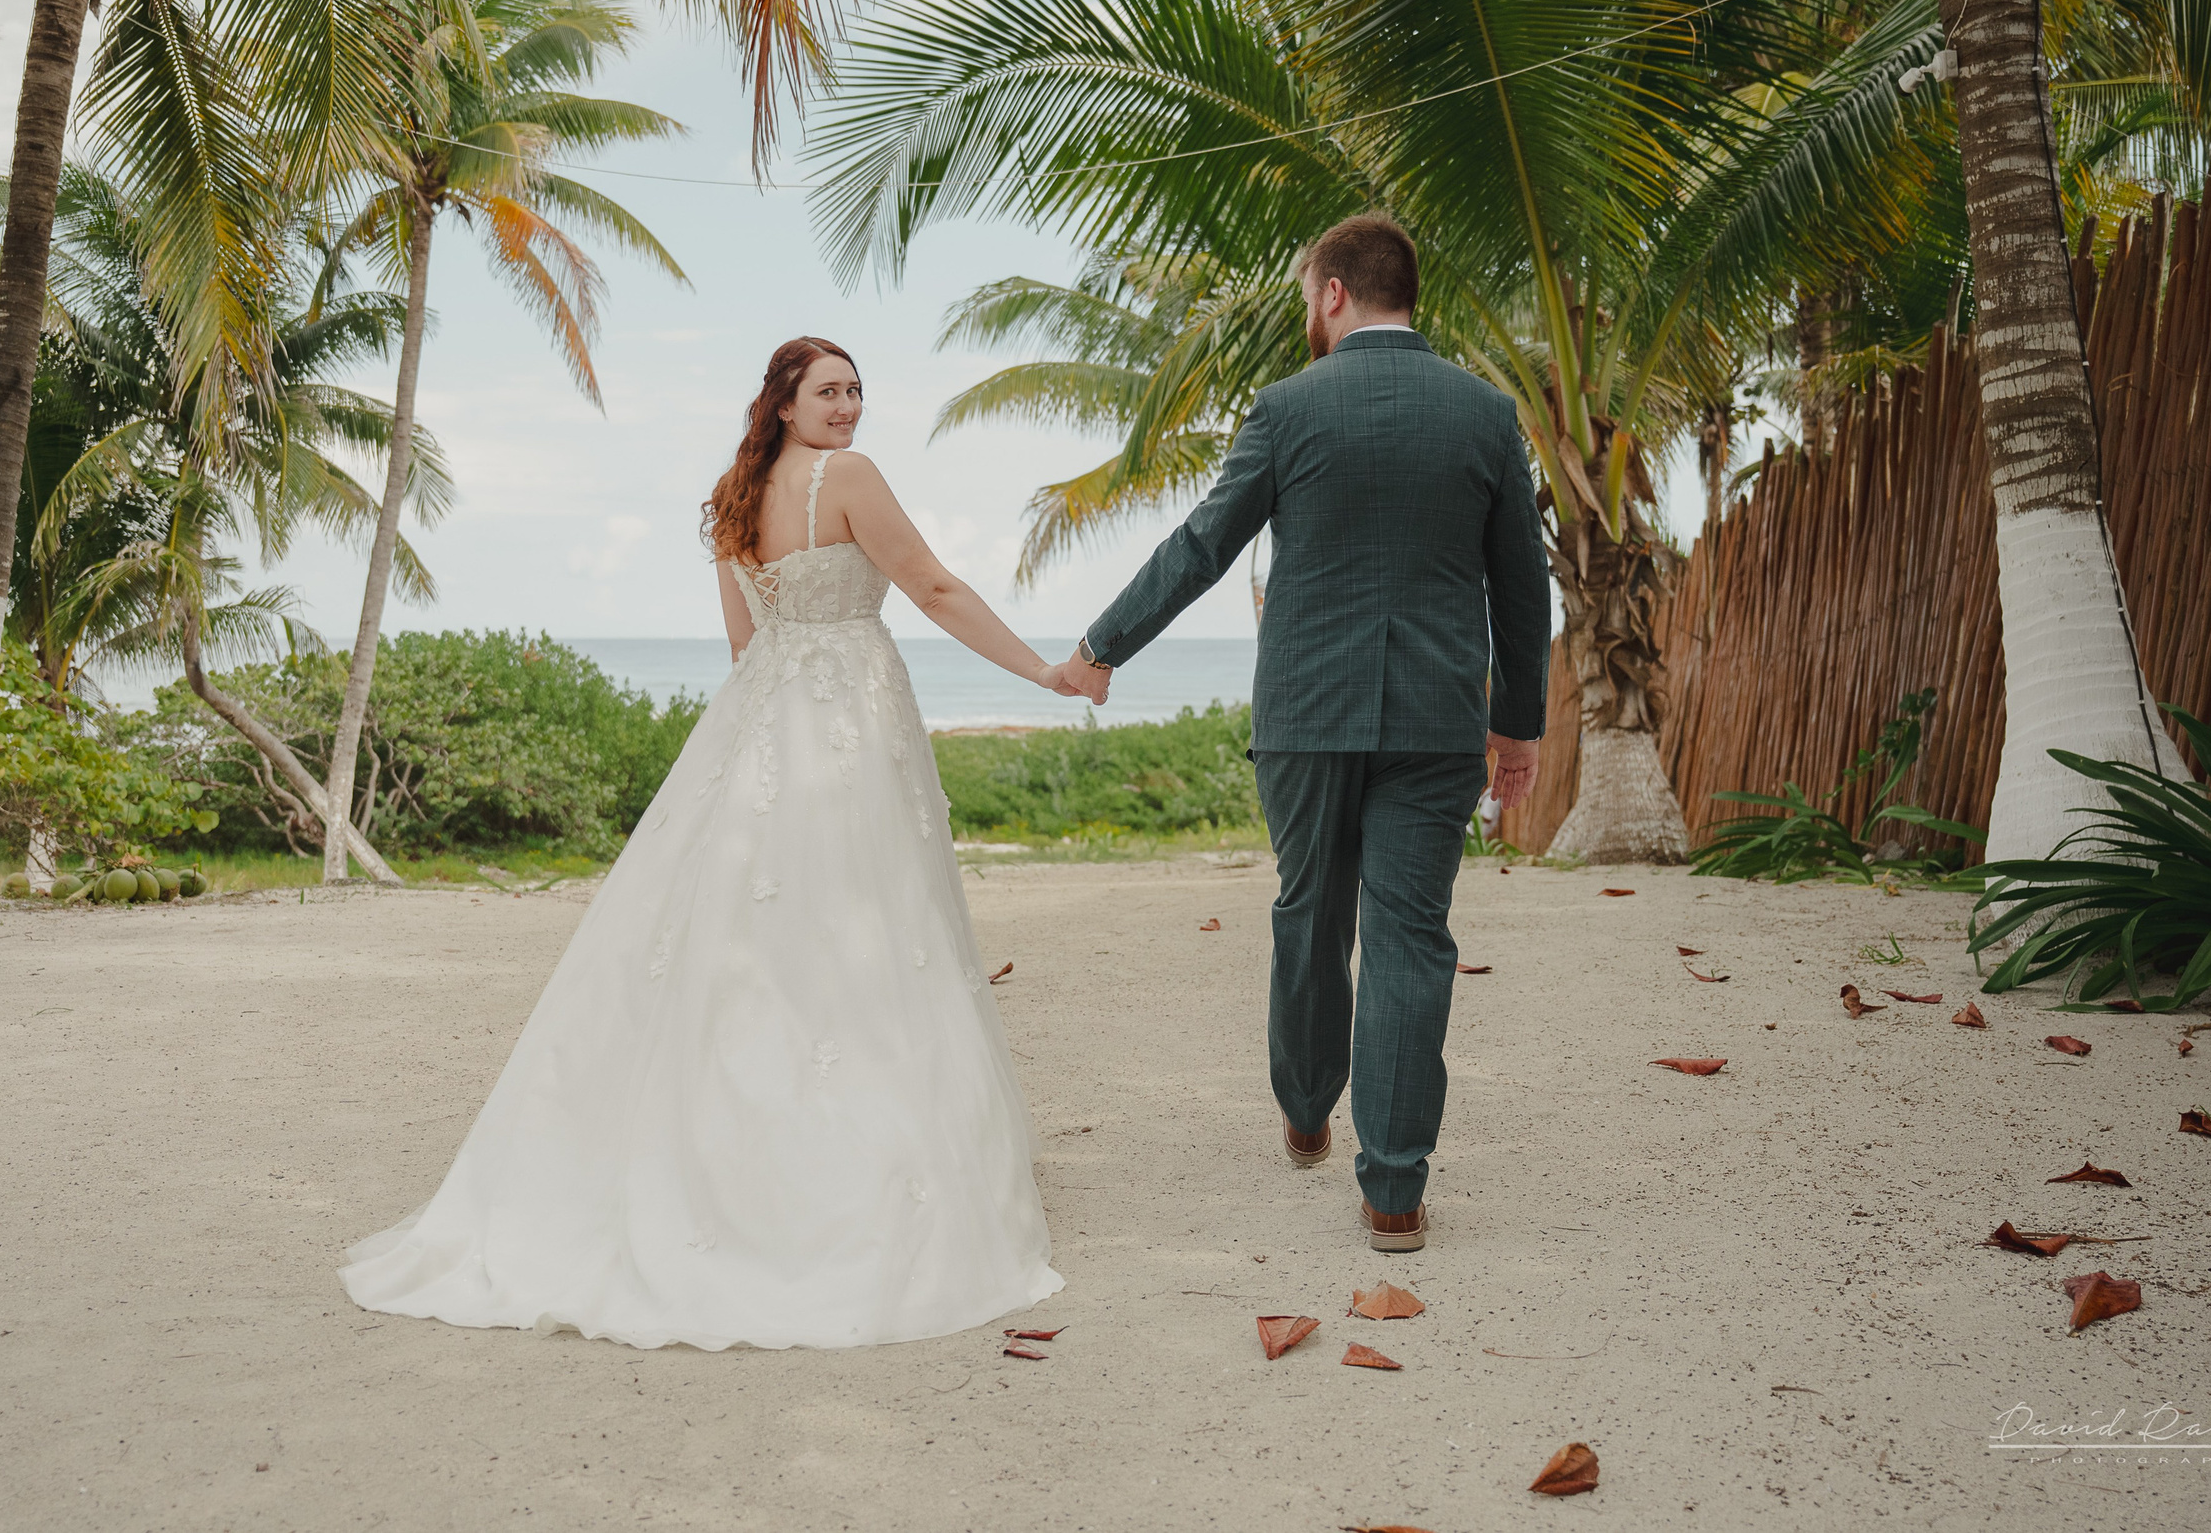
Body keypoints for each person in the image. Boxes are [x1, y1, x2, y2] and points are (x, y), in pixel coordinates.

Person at [341, 337, 1067, 1349]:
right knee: (860, 929)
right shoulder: (846, 480)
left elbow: (744, 646)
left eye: (856, 390)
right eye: (828, 391)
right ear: (782, 401)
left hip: (764, 721)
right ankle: (846, 1182)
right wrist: (1041, 673)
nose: (849, 407)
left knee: (751, 940)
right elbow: (935, 589)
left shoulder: (734, 494)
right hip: (850, 720)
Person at [1047, 214, 1553, 1253]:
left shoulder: (1285, 409)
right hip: (1434, 718)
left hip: (1305, 717)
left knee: (1309, 911)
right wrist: (1519, 728)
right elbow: (1521, 585)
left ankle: (1308, 1109)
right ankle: (1396, 1191)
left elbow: (1201, 545)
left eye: (1303, 296)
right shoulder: (1485, 413)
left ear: (1331, 293)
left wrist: (1104, 647)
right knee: (1411, 936)